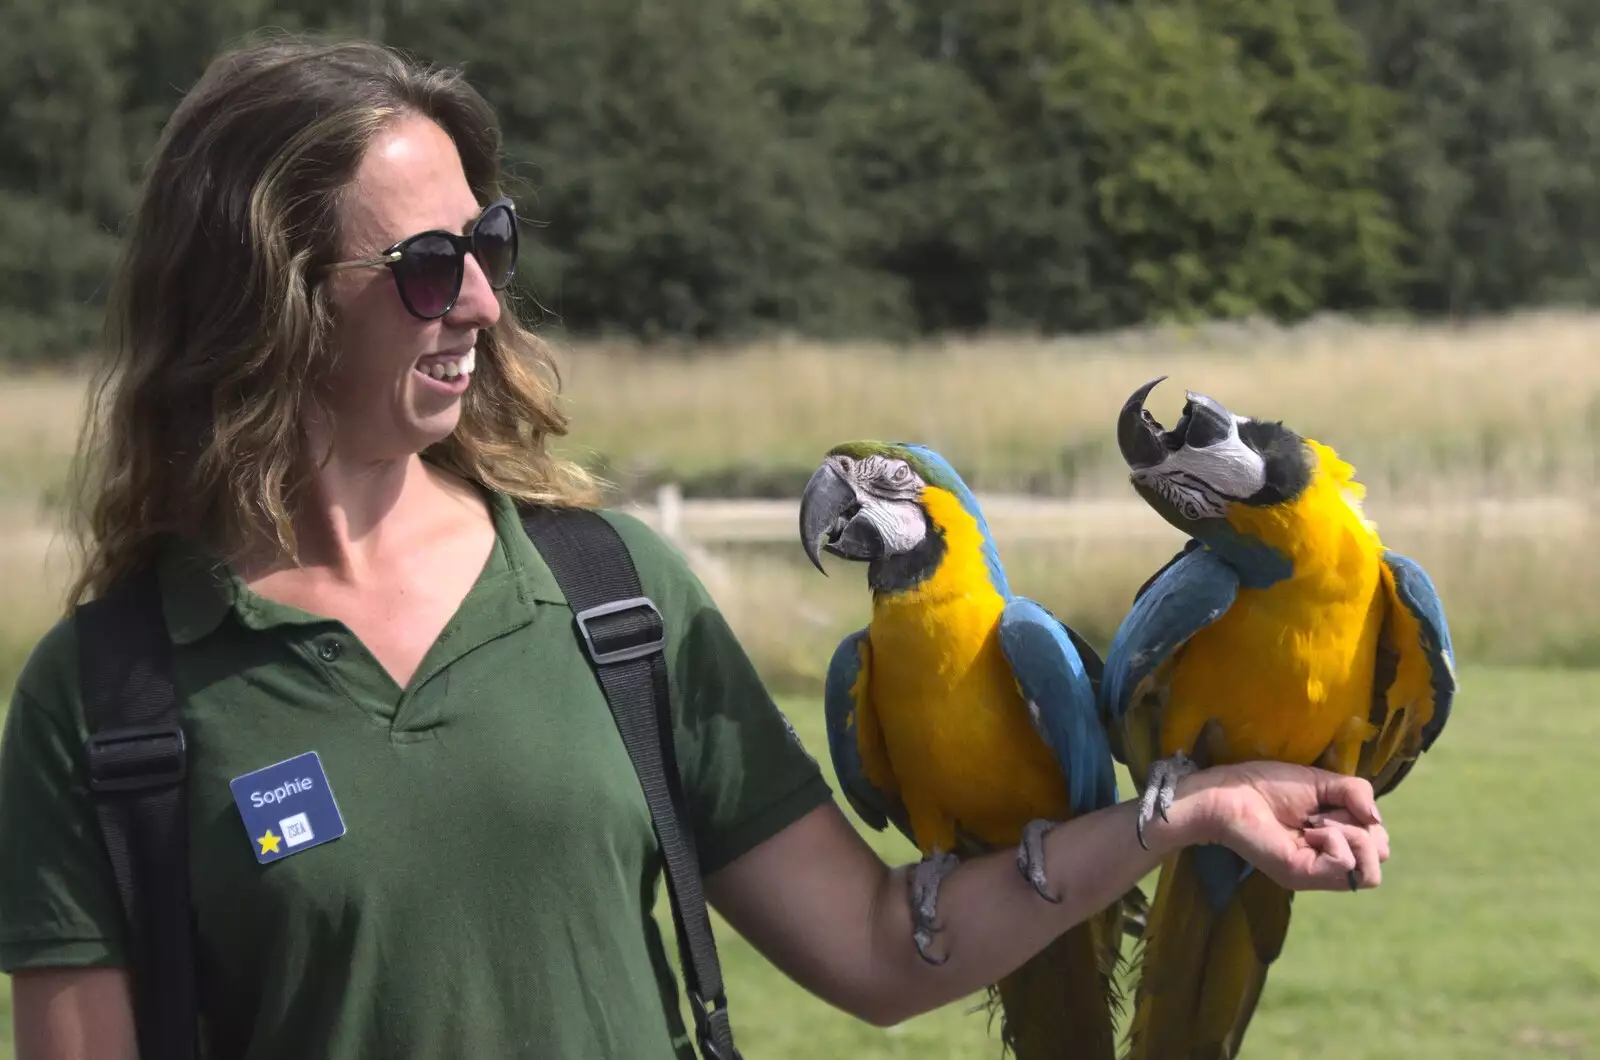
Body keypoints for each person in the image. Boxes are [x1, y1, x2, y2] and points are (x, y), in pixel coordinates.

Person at [0, 34, 1390, 1060]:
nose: (481, 298)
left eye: (491, 243)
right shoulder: (112, 699)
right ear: (268, 300)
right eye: (428, 264)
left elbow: (870, 945)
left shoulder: (611, 602)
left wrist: (1176, 815)